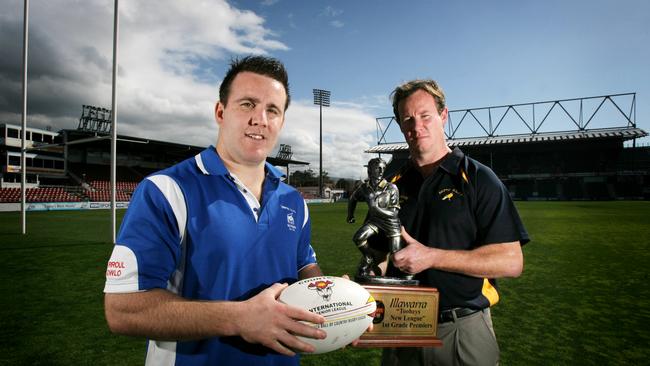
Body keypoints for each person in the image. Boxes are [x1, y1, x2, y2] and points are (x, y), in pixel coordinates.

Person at [103, 56, 328, 365]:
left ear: (281, 122)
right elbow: (123, 309)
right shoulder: (167, 190)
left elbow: (304, 267)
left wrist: (334, 299)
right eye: (247, 104)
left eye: (272, 110)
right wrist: (239, 318)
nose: (260, 119)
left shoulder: (294, 201)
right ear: (221, 112)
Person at [381, 79, 530, 366]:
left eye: (425, 116)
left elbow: (511, 261)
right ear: (400, 125)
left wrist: (431, 257)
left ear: (443, 116)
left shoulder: (478, 178)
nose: (416, 126)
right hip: (398, 325)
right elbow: (379, 254)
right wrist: (359, 290)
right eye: (407, 119)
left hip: (460, 328)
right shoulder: (391, 185)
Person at [346, 157, 403, 280]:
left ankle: (406, 275)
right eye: (378, 168)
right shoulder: (364, 188)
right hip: (375, 222)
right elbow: (353, 199)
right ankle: (368, 257)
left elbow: (394, 214)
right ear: (370, 170)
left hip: (391, 224)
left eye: (383, 168)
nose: (381, 170)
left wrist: (375, 209)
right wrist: (350, 215)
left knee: (396, 255)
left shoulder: (391, 188)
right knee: (358, 238)